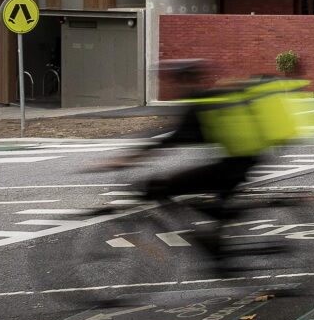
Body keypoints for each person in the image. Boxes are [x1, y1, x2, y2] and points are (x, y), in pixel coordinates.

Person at [108, 59, 268, 258]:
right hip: (245, 160)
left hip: (234, 165)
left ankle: (218, 230)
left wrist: (128, 159)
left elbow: (174, 139)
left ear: (183, 80)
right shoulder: (209, 98)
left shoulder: (199, 103)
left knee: (163, 186)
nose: (171, 85)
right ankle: (217, 234)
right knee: (200, 192)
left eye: (173, 80)